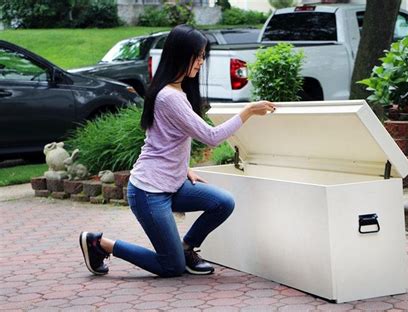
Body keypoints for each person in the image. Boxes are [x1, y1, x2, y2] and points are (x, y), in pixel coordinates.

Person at [79, 24, 275, 277]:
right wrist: (247, 111)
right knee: (170, 267)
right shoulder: (169, 96)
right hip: (149, 192)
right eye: (199, 55)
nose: (201, 62)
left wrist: (185, 168)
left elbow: (162, 140)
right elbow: (211, 137)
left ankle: (186, 247)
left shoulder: (175, 91)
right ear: (182, 54)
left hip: (171, 183)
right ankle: (100, 244)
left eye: (204, 55)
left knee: (223, 202)